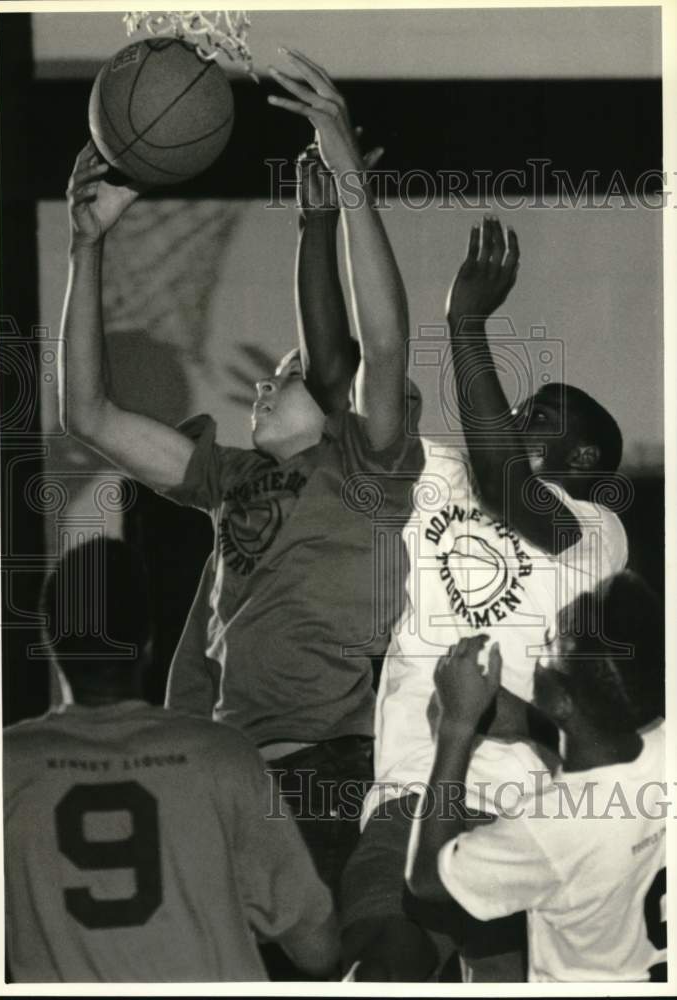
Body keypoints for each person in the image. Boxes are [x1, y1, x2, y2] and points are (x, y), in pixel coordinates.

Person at [59, 47, 423, 898]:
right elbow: (90, 418)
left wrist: (339, 167)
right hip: (216, 776)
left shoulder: (369, 469)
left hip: (320, 774)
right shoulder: (228, 479)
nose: (266, 379)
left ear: (337, 411)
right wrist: (87, 251)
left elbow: (383, 337)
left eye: (288, 374)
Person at [341, 217, 629, 980]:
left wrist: (466, 327)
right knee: (388, 964)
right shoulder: (439, 471)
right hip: (412, 785)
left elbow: (509, 482)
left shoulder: (595, 528)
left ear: (585, 456)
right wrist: (330, 207)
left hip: (524, 810)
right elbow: (360, 362)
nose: (511, 418)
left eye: (538, 417)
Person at [3, 538, 339, 982]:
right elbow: (319, 949)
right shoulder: (221, 755)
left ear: (49, 643)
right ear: (147, 639)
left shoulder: (5, 766)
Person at [406, 571, 666, 983]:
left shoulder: (549, 826)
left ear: (562, 700)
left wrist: (456, 727)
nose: (536, 651)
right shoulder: (664, 747)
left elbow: (427, 879)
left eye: (547, 644)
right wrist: (524, 719)